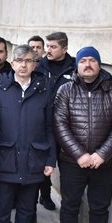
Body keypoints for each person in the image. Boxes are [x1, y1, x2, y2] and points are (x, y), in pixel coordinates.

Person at [52, 46, 112, 223]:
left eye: (92, 60)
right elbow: (59, 125)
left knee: (100, 205)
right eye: (83, 60)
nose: (87, 64)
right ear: (77, 65)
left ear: (99, 64)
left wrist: (101, 154)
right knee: (69, 203)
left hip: (102, 163)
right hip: (72, 162)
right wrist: (79, 154)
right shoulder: (66, 90)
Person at [0, 45, 56, 223]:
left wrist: (50, 159)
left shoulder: (43, 90)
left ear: (35, 64)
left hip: (33, 160)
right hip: (5, 160)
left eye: (28, 60)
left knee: (27, 210)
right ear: (12, 63)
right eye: (19, 60)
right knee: (2, 211)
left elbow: (49, 128)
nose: (24, 65)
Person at [35, 31, 77, 211]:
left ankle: (68, 202)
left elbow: (101, 74)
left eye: (53, 47)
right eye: (48, 46)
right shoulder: (39, 66)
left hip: (67, 126)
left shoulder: (75, 67)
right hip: (44, 124)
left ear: (65, 49)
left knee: (67, 166)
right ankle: (44, 195)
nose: (48, 50)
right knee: (44, 162)